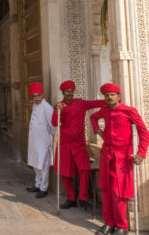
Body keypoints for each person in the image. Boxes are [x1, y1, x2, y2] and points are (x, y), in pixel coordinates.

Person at [90, 83, 149, 235]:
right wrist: (99, 132)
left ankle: (122, 226)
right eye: (106, 95)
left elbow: (144, 133)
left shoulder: (129, 111)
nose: (109, 97)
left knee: (118, 193)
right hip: (106, 155)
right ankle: (109, 224)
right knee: (106, 190)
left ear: (118, 96)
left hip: (122, 158)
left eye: (112, 95)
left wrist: (141, 154)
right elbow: (92, 117)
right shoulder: (103, 111)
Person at [51, 80, 105, 209]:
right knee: (65, 173)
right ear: (63, 92)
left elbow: (97, 103)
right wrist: (56, 110)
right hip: (64, 144)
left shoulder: (81, 103)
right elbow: (54, 123)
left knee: (84, 170)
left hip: (79, 144)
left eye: (71, 91)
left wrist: (111, 99)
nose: (69, 93)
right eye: (67, 91)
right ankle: (70, 198)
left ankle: (83, 197)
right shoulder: (60, 106)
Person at [26, 82, 54, 198]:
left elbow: (52, 125)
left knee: (43, 165)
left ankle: (43, 188)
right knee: (35, 164)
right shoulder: (34, 106)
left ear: (42, 95)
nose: (36, 98)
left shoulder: (47, 107)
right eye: (34, 96)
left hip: (43, 141)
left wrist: (51, 141)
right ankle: (37, 185)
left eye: (38, 95)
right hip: (34, 141)